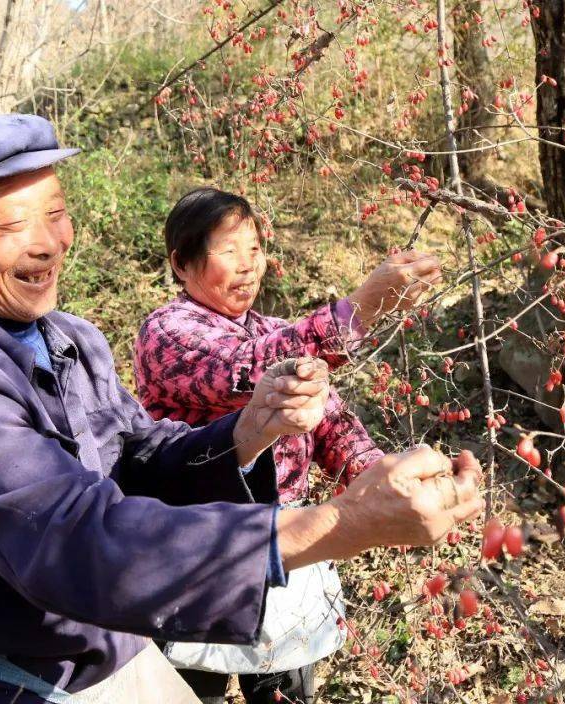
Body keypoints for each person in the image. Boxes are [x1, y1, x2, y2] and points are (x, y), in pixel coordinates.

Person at [0, 113, 485, 704]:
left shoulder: (69, 340)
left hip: (110, 652)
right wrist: (339, 524)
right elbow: (76, 540)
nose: (49, 245)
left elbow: (137, 455)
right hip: (1, 683)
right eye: (11, 226)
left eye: (56, 214)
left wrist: (248, 432)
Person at [133, 188, 443, 703]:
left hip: (290, 534)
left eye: (254, 249)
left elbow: (333, 424)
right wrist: (358, 310)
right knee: (191, 687)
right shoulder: (166, 333)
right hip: (204, 537)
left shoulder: (277, 330)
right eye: (228, 251)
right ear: (181, 264)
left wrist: (382, 481)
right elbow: (247, 371)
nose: (247, 266)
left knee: (286, 687)